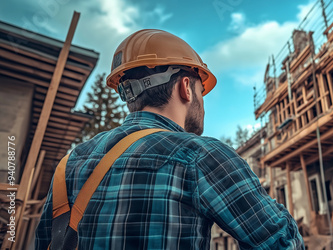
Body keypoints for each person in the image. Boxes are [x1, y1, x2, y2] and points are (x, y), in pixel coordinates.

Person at [36, 29, 304, 249]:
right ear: (186, 87)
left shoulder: (69, 165)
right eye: (201, 89)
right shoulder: (201, 156)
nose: (202, 100)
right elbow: (282, 244)